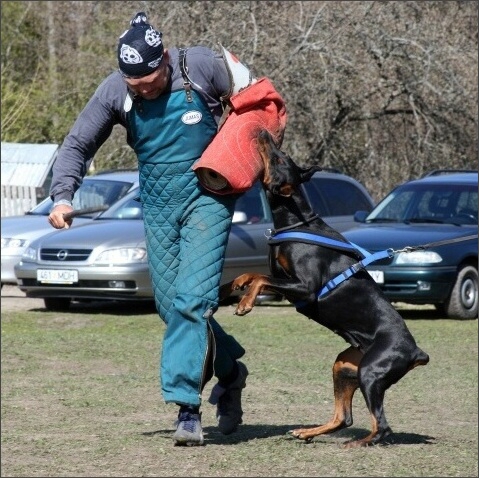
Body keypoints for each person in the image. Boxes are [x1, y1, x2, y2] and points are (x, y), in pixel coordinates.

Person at [47, 12, 261, 446]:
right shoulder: (114, 90)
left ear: (164, 57)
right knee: (171, 307)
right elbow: (77, 144)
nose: (144, 88)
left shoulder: (202, 66)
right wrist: (63, 195)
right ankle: (232, 371)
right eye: (135, 84)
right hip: (158, 203)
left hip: (209, 195)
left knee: (192, 299)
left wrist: (251, 156)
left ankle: (187, 408)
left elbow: (257, 104)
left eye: (150, 78)